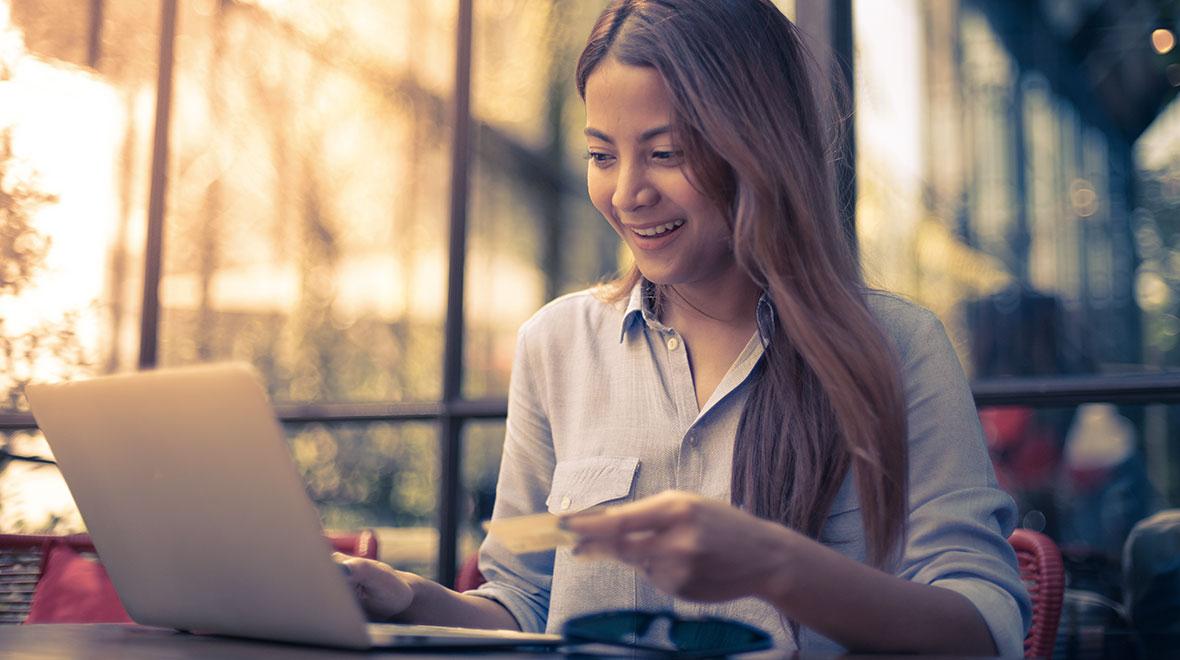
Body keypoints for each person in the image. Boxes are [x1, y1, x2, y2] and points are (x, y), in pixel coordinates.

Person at [336, 0, 1031, 654]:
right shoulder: (555, 347)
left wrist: (776, 564)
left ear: (756, 146)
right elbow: (523, 602)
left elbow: (985, 627)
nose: (627, 192)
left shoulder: (898, 348)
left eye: (665, 153)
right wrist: (407, 599)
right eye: (602, 155)